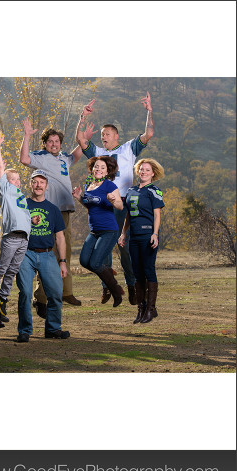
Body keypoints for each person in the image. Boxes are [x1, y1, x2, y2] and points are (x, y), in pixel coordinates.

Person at [78, 94, 155, 305]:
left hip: (123, 203)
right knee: (102, 248)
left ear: (116, 136)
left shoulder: (128, 148)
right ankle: (108, 287)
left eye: (108, 134)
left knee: (124, 247)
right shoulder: (99, 154)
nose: (104, 137)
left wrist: (149, 109)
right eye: (102, 134)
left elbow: (148, 133)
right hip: (103, 204)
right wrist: (82, 116)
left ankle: (131, 285)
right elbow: (81, 140)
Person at [19, 117, 84, 307]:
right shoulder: (41, 157)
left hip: (64, 211)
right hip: (48, 211)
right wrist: (27, 135)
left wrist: (82, 129)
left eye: (57, 141)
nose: (54, 144)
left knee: (66, 252)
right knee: (47, 253)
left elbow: (79, 153)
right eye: (50, 141)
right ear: (45, 143)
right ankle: (41, 298)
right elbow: (24, 158)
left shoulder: (64, 157)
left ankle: (66, 291)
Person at [0, 130, 32, 327]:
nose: (17, 182)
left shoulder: (20, 196)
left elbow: (23, 216)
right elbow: (1, 168)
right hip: (10, 237)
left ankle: (2, 300)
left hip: (23, 238)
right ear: (5, 182)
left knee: (12, 272)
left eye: (18, 179)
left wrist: (31, 222)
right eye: (13, 179)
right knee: (2, 269)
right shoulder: (6, 190)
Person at [15, 170, 70, 343]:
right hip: (25, 254)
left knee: (55, 292)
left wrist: (62, 261)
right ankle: (25, 331)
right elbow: (12, 228)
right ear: (30, 184)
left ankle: (53, 329)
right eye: (35, 182)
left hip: (47, 255)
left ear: (46, 186)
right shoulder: (22, 205)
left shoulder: (53, 209)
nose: (38, 185)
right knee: (25, 291)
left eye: (41, 182)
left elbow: (60, 237)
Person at [73, 155, 126, 306]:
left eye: (103, 167)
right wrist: (79, 198)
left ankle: (115, 291)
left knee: (96, 264)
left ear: (107, 171)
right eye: (96, 166)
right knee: (84, 261)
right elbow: (90, 205)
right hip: (94, 231)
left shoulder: (110, 186)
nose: (98, 169)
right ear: (92, 168)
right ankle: (108, 272)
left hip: (109, 230)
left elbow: (120, 207)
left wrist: (113, 201)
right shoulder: (88, 185)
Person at [119, 158, 165, 324]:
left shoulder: (154, 191)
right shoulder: (131, 190)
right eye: (141, 169)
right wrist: (123, 234)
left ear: (153, 173)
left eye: (147, 170)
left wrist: (155, 234)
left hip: (147, 236)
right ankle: (141, 309)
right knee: (137, 273)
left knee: (148, 270)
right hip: (134, 237)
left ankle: (151, 310)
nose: (143, 172)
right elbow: (128, 216)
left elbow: (157, 215)